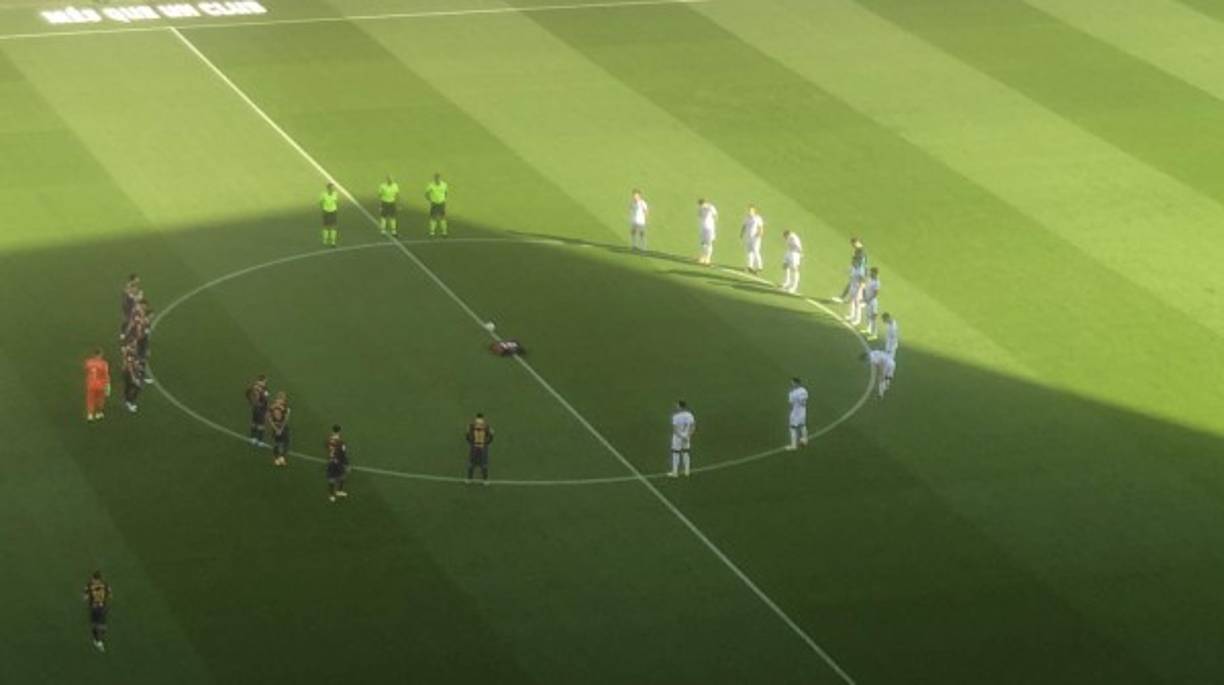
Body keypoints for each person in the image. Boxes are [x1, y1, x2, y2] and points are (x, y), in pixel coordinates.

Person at [83, 571, 111, 652]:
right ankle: (98, 641)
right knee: (102, 625)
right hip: (102, 607)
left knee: (96, 624)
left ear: (93, 578)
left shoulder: (89, 585)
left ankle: (97, 640)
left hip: (94, 608)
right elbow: (110, 595)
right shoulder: (105, 585)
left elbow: (84, 597)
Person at [834, 238, 867, 303]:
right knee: (858, 285)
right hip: (859, 270)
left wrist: (852, 268)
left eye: (853, 244)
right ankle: (843, 297)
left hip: (859, 271)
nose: (853, 246)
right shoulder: (859, 250)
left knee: (859, 285)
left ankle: (842, 298)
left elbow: (859, 262)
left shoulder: (860, 251)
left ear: (857, 242)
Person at [668, 400, 696, 478]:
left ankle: (675, 473)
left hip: (677, 438)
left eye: (677, 405)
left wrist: (681, 437)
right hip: (687, 437)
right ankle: (687, 471)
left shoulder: (676, 416)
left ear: (680, 407)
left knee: (675, 454)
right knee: (686, 453)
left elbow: (675, 429)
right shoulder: (690, 415)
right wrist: (688, 436)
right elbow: (692, 426)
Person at [465, 413, 494, 484]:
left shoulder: (472, 426)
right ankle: (484, 480)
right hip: (482, 447)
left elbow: (468, 437)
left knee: (475, 463)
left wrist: (469, 439)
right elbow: (490, 437)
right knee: (481, 464)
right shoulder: (486, 426)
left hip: (476, 447)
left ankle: (470, 479)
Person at [84, 349, 111, 422]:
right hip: (100, 385)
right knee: (100, 400)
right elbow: (106, 375)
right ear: (100, 355)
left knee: (90, 399)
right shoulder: (104, 364)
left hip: (90, 384)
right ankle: (99, 413)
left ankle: (90, 415)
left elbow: (86, 370)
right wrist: (108, 386)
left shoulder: (88, 362)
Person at [326, 424, 350, 502]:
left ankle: (332, 495)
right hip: (338, 462)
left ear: (332, 430)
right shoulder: (341, 442)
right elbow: (343, 453)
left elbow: (328, 447)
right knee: (341, 476)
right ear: (339, 431)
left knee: (331, 478)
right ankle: (338, 491)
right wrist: (347, 464)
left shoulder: (329, 439)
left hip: (331, 461)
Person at [857, 267, 881, 340]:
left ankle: (874, 334)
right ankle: (868, 329)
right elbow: (865, 288)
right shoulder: (870, 279)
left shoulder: (877, 282)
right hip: (867, 300)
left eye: (872, 272)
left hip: (873, 301)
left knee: (873, 317)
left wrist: (868, 300)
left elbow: (876, 293)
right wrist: (864, 298)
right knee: (867, 315)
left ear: (875, 273)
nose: (870, 273)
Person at [267, 391, 291, 466]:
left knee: (278, 443)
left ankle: (278, 459)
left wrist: (277, 429)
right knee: (284, 443)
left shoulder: (272, 407)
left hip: (277, 427)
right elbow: (286, 420)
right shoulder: (285, 408)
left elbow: (269, 419)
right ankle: (280, 458)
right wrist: (279, 429)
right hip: (281, 427)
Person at [246, 374, 270, 445]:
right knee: (261, 424)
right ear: (264, 380)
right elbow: (265, 399)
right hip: (262, 407)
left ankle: (252, 438)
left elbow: (247, 392)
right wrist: (267, 409)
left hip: (255, 406)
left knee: (254, 422)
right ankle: (259, 441)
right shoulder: (264, 388)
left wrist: (251, 401)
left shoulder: (254, 385)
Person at [741, 205, 765, 274]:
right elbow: (744, 226)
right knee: (749, 251)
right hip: (748, 237)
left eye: (750, 210)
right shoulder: (746, 218)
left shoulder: (758, 218)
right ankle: (749, 266)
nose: (749, 212)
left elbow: (760, 227)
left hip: (755, 238)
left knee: (756, 251)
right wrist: (741, 233)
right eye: (748, 210)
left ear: (754, 211)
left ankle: (760, 266)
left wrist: (760, 234)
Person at [121, 342, 143, 413]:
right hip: (129, 374)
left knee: (128, 387)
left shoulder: (132, 353)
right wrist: (133, 377)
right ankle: (129, 402)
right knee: (137, 387)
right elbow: (130, 366)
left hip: (129, 372)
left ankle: (127, 401)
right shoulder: (130, 354)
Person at [787, 377, 808, 450]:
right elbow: (803, 401)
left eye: (792, 383)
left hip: (795, 412)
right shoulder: (804, 390)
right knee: (802, 425)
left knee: (792, 428)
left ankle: (793, 446)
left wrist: (791, 393)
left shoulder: (792, 392)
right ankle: (805, 440)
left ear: (797, 383)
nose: (792, 384)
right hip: (803, 411)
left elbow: (791, 403)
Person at [425, 173, 449, 237]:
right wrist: (430, 200)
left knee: (442, 218)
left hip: (441, 203)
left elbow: (446, 193)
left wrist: (443, 199)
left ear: (440, 178)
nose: (437, 179)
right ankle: (432, 232)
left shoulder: (444, 185)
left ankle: (444, 232)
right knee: (433, 218)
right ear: (435, 178)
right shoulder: (431, 185)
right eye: (436, 178)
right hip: (434, 204)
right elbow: (426, 194)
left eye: (438, 178)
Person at [696, 198, 718, 265]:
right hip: (702, 228)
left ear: (704, 203)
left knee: (709, 243)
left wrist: (713, 224)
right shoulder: (700, 209)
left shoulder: (711, 208)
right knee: (703, 243)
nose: (700, 206)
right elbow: (699, 216)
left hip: (710, 229)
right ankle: (703, 257)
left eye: (701, 205)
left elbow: (716, 215)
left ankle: (708, 258)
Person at [780, 230, 803, 294]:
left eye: (784, 236)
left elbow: (799, 247)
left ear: (787, 234)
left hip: (795, 254)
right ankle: (787, 282)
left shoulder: (793, 238)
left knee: (794, 270)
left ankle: (794, 287)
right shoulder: (789, 237)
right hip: (789, 252)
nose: (784, 238)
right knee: (785, 266)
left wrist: (799, 255)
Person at [119, 274, 140, 340]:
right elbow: (126, 293)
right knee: (127, 319)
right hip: (127, 305)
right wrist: (133, 296)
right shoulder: (129, 285)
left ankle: (131, 333)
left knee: (134, 318)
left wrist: (137, 297)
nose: (138, 279)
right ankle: (123, 333)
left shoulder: (135, 286)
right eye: (137, 278)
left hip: (132, 304)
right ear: (133, 279)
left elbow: (134, 294)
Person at [320, 182, 339, 246]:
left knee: (333, 227)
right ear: (328, 188)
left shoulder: (335, 194)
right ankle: (325, 241)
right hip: (326, 212)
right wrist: (323, 209)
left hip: (333, 212)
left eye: (333, 188)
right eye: (331, 188)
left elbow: (336, 202)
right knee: (326, 227)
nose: (332, 189)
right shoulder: (324, 195)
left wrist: (335, 209)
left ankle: (333, 242)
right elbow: (321, 202)